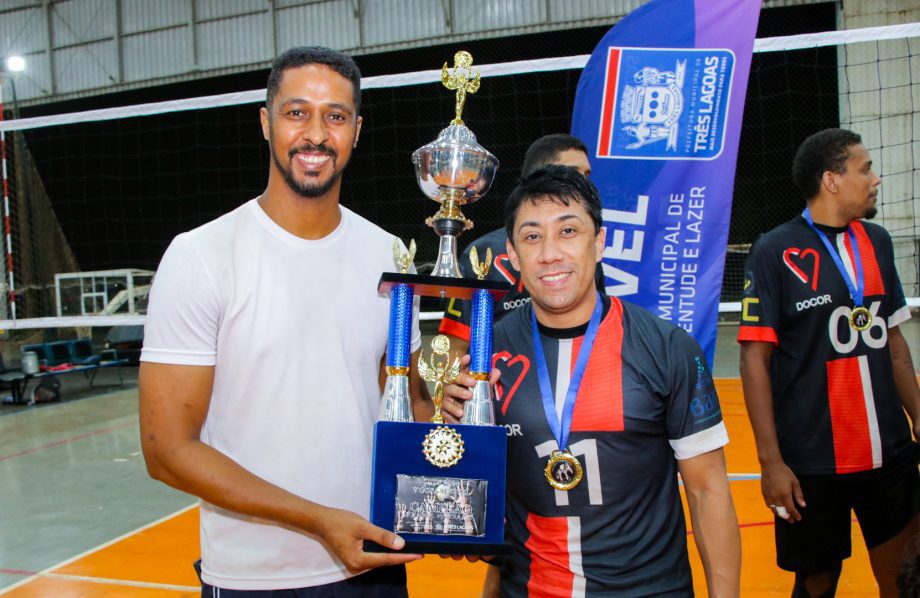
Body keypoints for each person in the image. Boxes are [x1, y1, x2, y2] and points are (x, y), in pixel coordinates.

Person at [139, 46, 429, 596]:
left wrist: (455, 441)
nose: (316, 134)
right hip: (255, 579)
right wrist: (321, 520)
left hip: (376, 560)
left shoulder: (390, 255)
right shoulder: (201, 255)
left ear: (357, 130)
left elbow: (406, 403)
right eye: (297, 112)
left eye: (335, 116)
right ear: (266, 123)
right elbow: (166, 450)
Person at [444, 166, 741, 596]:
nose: (549, 253)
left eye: (568, 231)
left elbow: (708, 490)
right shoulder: (486, 352)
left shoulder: (666, 348)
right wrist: (457, 430)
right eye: (532, 237)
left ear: (599, 242)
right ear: (512, 253)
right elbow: (475, 492)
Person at [738, 128, 920, 597]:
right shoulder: (775, 250)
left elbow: (894, 342)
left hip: (889, 451)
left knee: (905, 578)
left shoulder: (877, 242)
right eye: (865, 169)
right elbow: (754, 359)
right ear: (832, 180)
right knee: (817, 584)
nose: (876, 179)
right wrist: (770, 460)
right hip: (813, 459)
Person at [438, 134, 599, 357]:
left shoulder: (586, 250)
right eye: (574, 173)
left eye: (587, 175)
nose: (585, 183)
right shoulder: (482, 253)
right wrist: (458, 387)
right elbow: (454, 346)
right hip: (506, 382)